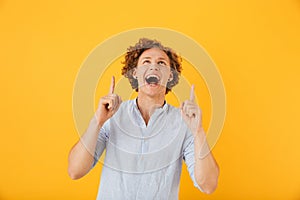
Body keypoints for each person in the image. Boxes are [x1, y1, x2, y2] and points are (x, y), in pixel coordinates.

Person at [68, 38, 219, 199]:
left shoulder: (184, 122)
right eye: (146, 62)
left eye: (161, 63)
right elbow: (75, 171)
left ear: (169, 75)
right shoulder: (112, 115)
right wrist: (97, 121)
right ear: (135, 73)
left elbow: (208, 185)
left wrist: (198, 131)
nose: (153, 66)